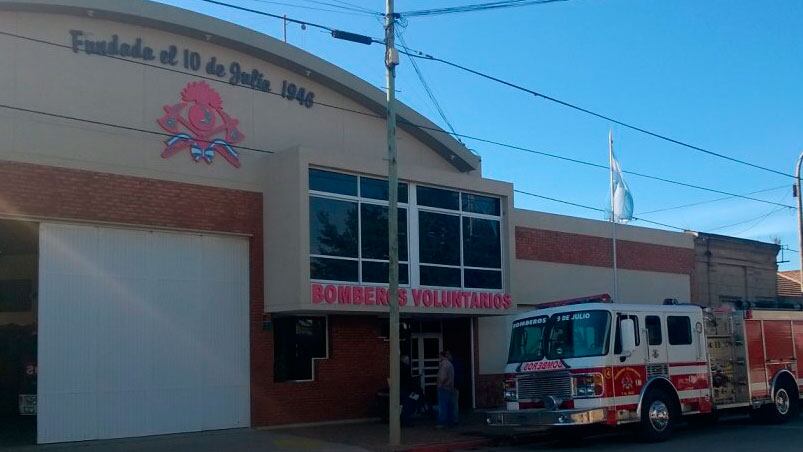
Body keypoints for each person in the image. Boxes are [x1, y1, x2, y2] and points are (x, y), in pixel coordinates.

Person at [436, 350, 456, 427]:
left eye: (439, 356)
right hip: (450, 387)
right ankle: (450, 421)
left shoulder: (443, 364)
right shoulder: (450, 364)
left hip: (444, 388)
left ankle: (442, 422)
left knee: (442, 406)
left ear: (442, 356)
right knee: (450, 406)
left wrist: (439, 385)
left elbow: (442, 377)